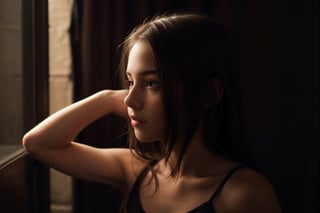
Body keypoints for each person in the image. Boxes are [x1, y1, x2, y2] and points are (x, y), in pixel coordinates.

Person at [22, 12, 282, 213]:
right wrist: (108, 98)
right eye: (130, 81)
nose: (131, 100)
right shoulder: (135, 171)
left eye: (152, 83)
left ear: (209, 94)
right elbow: (38, 144)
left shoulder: (245, 194)